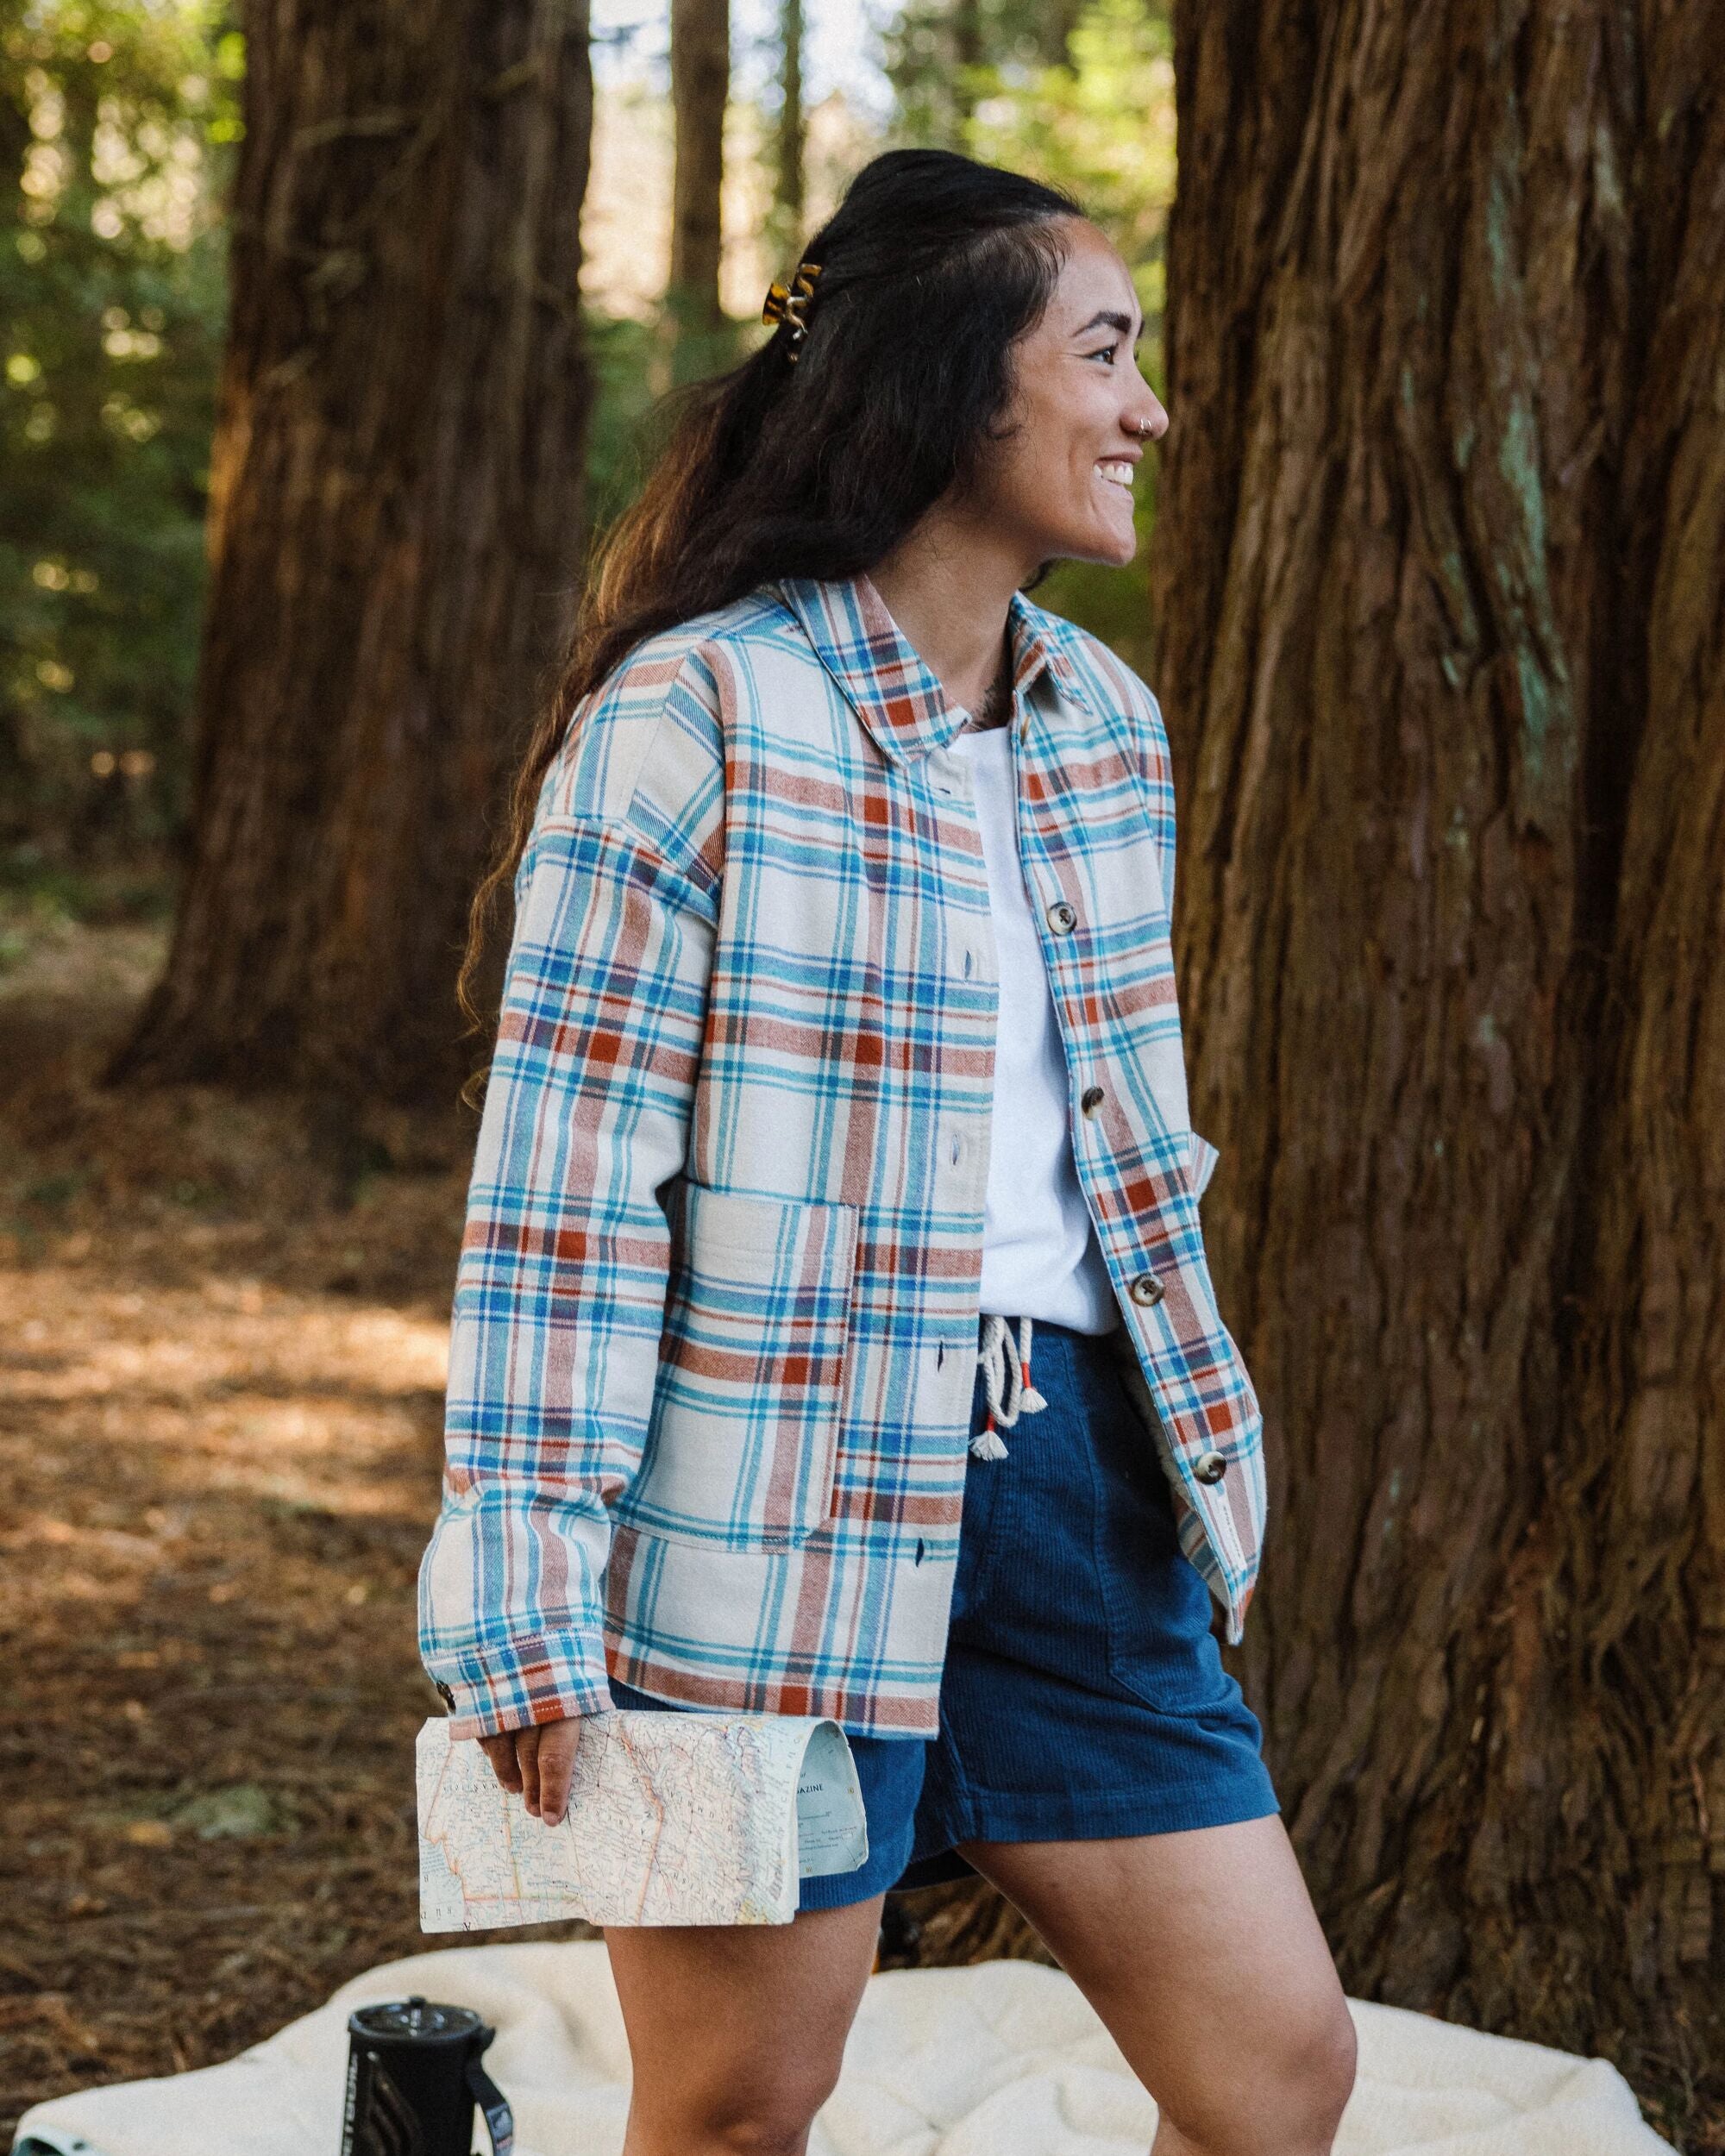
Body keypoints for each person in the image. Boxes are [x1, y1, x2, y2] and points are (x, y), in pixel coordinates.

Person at [419, 147, 1358, 2156]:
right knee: (744, 2099)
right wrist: (522, 1559)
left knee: (1275, 2073)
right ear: (957, 388)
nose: (1147, 405)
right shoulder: (699, 714)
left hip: (1076, 1483)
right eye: (1104, 352)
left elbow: (1117, 1149)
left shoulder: (1108, 724)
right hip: (768, 1493)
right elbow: (567, 1185)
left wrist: (1201, 1448)